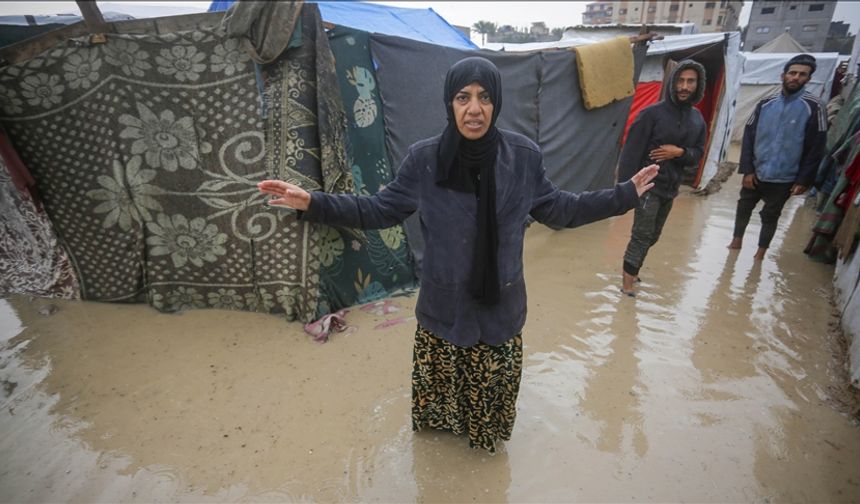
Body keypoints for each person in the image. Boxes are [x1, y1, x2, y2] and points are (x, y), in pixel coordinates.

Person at [258, 57, 658, 452]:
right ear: (449, 103)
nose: (474, 109)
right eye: (463, 97)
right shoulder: (424, 160)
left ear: (496, 103)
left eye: (484, 97)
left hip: (500, 307)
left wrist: (623, 196)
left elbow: (562, 209)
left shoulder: (522, 157)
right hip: (444, 306)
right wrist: (314, 202)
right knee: (438, 425)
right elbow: (379, 210)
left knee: (487, 424)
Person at [617, 60, 707, 296]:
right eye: (680, 80)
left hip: (671, 187)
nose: (684, 86)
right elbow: (630, 153)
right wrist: (625, 191)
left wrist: (680, 153)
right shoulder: (651, 114)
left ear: (698, 85)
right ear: (672, 82)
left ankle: (632, 270)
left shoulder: (697, 119)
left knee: (654, 236)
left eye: (690, 81)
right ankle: (627, 288)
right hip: (648, 187)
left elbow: (698, 154)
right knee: (642, 235)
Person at [728, 54, 827, 261]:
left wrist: (803, 180)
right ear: (783, 75)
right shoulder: (765, 103)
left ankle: (760, 255)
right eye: (792, 73)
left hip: (785, 176)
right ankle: (736, 243)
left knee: (771, 215)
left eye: (802, 75)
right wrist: (747, 169)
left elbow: (817, 147)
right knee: (744, 206)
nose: (795, 78)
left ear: (808, 79)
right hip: (757, 170)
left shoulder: (815, 106)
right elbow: (749, 136)